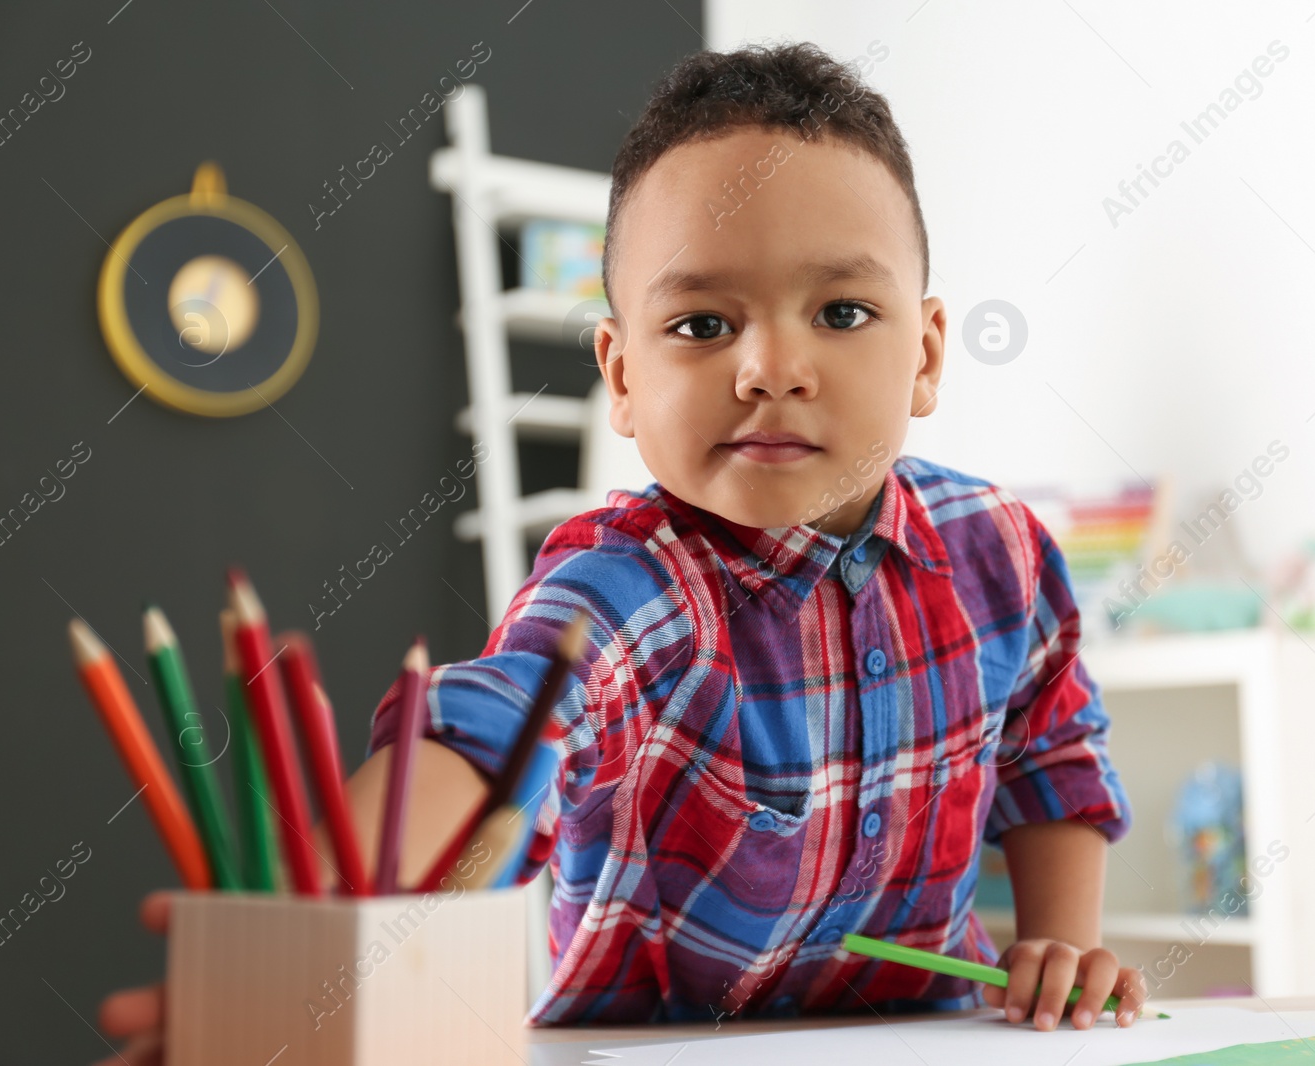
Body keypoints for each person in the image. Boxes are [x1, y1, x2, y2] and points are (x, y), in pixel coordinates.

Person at [96, 40, 1141, 1062]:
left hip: (936, 1039)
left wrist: (1062, 942)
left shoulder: (998, 548)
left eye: (841, 311)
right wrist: (303, 941)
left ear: (922, 353)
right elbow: (484, 741)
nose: (771, 366)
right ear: (621, 374)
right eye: (699, 324)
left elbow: (1049, 749)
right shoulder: (625, 584)